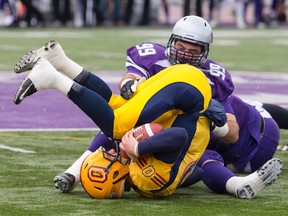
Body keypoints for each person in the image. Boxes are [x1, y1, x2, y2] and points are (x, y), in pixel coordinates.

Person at [14, 16, 237, 193]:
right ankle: (53, 77)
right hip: (187, 92)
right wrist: (139, 146)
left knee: (115, 110)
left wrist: (212, 119)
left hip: (186, 97)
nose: (185, 54)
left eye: (193, 51)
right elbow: (130, 80)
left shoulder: (214, 76)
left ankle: (60, 64)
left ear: (204, 52)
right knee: (117, 125)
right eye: (181, 47)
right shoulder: (153, 180)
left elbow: (231, 134)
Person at [181, 95, 283, 199]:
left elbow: (232, 135)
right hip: (266, 126)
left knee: (193, 155)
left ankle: (236, 183)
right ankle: (236, 183)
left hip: (247, 159)